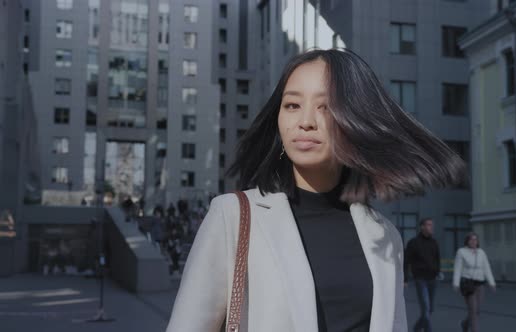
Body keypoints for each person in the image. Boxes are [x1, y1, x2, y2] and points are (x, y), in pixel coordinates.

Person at [166, 49, 465, 332]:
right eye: (292, 105)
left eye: (326, 107)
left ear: (356, 119)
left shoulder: (384, 235)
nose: (305, 122)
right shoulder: (232, 216)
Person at [453, 232, 496, 332]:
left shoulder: (481, 252)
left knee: (477, 311)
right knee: (473, 310)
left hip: (480, 285)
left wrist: (492, 283)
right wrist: (455, 283)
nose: (473, 241)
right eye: (471, 239)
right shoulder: (461, 252)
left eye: (475, 239)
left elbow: (487, 268)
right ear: (467, 241)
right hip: (468, 284)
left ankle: (465, 324)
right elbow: (458, 268)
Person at [404, 218, 441, 332]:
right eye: (429, 225)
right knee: (425, 308)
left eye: (432, 225)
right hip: (420, 280)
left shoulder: (434, 242)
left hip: (432, 279)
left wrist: (438, 271)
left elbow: (437, 259)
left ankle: (416, 328)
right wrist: (405, 279)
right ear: (422, 227)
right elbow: (406, 261)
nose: (431, 227)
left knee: (429, 310)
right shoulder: (413, 243)